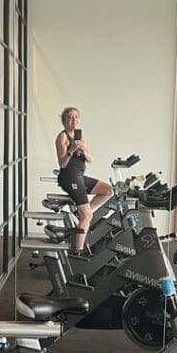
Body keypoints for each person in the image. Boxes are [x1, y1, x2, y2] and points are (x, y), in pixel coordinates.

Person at [55, 107, 112, 252]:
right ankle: (77, 251)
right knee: (87, 216)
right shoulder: (62, 137)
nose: (74, 120)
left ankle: (79, 214)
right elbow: (62, 163)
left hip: (79, 176)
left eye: (76, 117)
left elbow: (91, 159)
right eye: (70, 117)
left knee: (107, 190)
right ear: (64, 121)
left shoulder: (80, 135)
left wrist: (84, 150)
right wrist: (72, 149)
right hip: (69, 177)